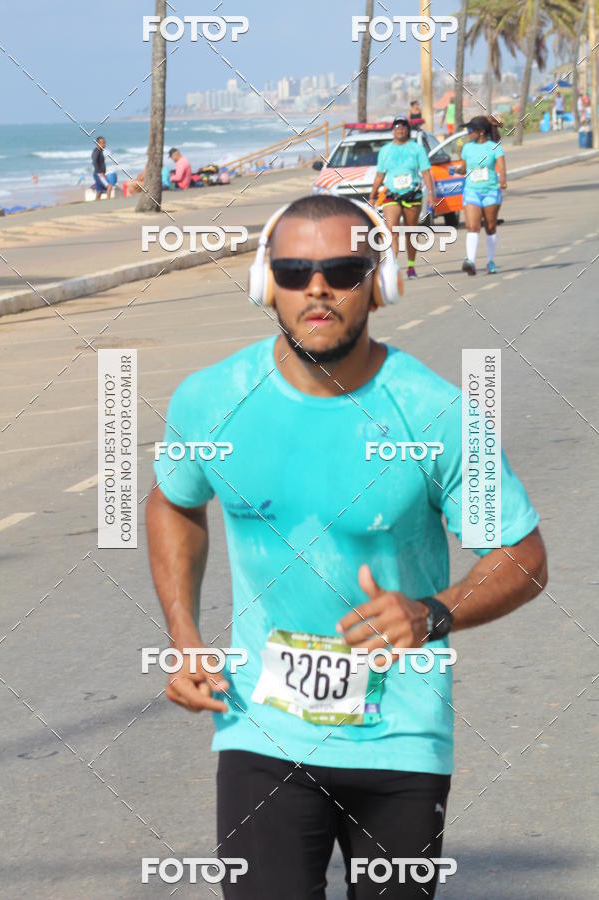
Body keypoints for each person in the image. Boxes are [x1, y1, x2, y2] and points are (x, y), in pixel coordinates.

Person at [148, 193, 547, 899]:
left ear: (380, 281)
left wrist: (431, 613)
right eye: (294, 271)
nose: (317, 288)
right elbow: (174, 502)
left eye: (341, 270)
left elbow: (524, 555)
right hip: (263, 729)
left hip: (401, 735)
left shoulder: (434, 413)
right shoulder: (211, 401)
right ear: (265, 282)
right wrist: (183, 634)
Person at [368, 114, 435, 279]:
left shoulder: (417, 149)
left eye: (403, 126)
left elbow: (426, 172)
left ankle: (411, 266)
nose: (400, 129)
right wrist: (372, 195)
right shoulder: (385, 150)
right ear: (392, 130)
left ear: (408, 129)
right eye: (397, 126)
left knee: (411, 232)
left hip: (413, 195)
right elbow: (380, 175)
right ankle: (393, 267)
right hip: (391, 195)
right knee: (392, 231)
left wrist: (431, 193)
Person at [454, 115, 507, 275]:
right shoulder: (467, 147)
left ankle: (490, 261)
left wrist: (503, 180)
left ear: (481, 132)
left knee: (490, 227)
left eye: (471, 130)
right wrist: (458, 170)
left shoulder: (494, 147)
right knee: (472, 227)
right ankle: (470, 261)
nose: (468, 133)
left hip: (491, 191)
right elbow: (464, 167)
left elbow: (502, 167)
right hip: (472, 191)